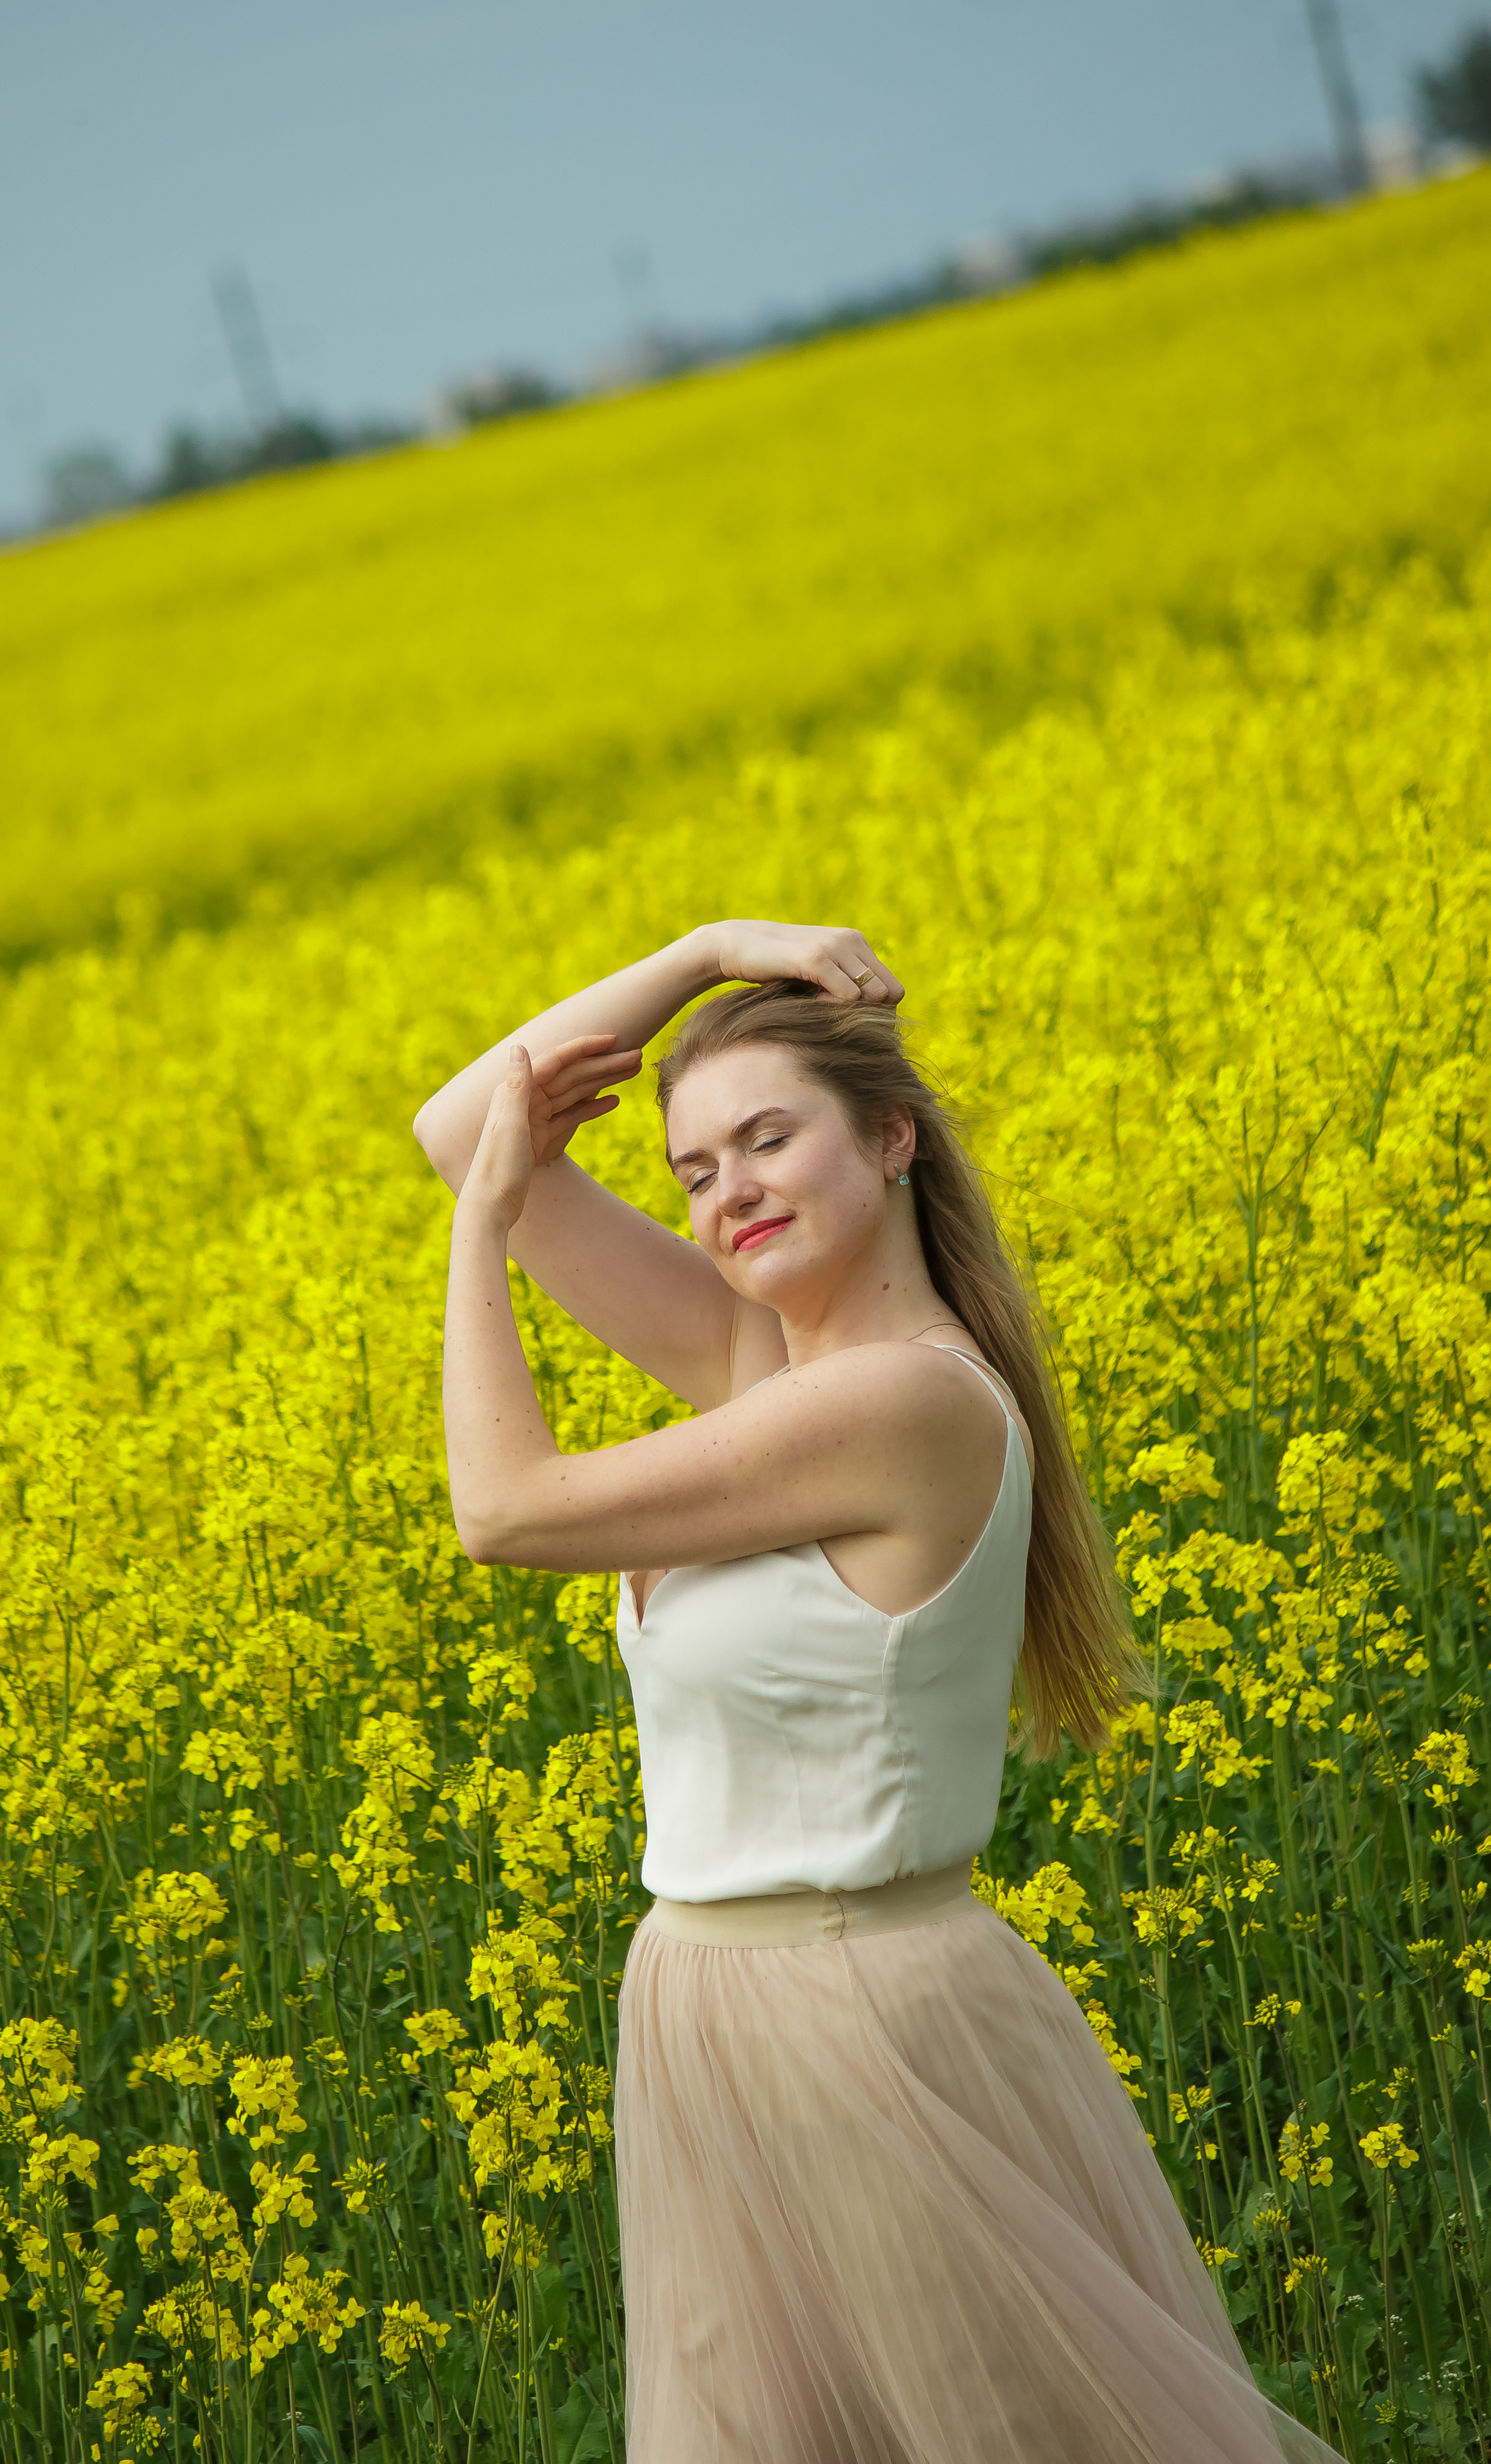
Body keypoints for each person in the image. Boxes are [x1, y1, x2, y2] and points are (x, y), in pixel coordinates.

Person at [414, 919, 1343, 2464]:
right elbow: (462, 1124)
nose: (726, 1191)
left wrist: (485, 1226)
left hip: (855, 2018)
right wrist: (710, 946)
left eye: (767, 1140)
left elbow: (502, 1511)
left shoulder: (904, 1400)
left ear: (892, 1138)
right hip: (705, 2011)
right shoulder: (758, 1362)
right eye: (694, 1168)